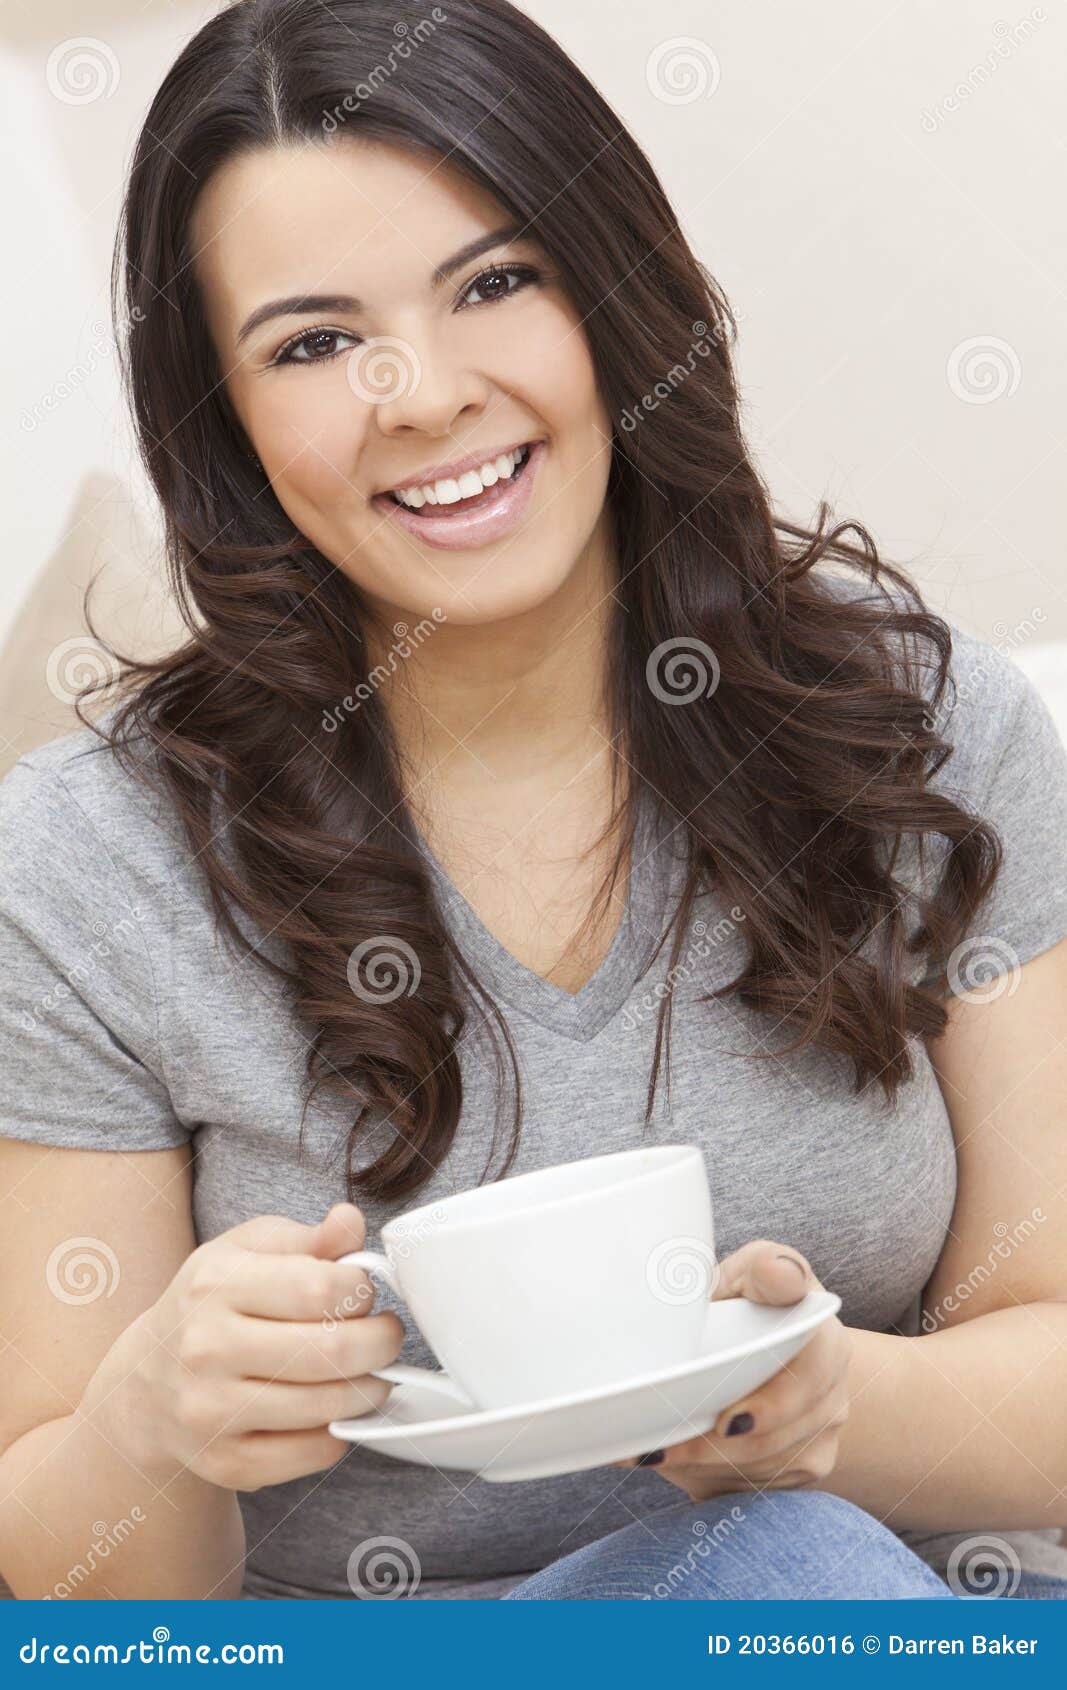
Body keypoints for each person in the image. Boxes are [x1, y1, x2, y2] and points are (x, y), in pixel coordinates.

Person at [1, 0, 1065, 1603]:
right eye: (310, 343)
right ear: (224, 420)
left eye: (496, 283)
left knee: (781, 1562)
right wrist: (152, 1425)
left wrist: (832, 1406)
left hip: (881, 1618)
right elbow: (83, 1591)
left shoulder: (925, 728)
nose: (421, 393)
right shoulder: (91, 862)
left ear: (617, 301)